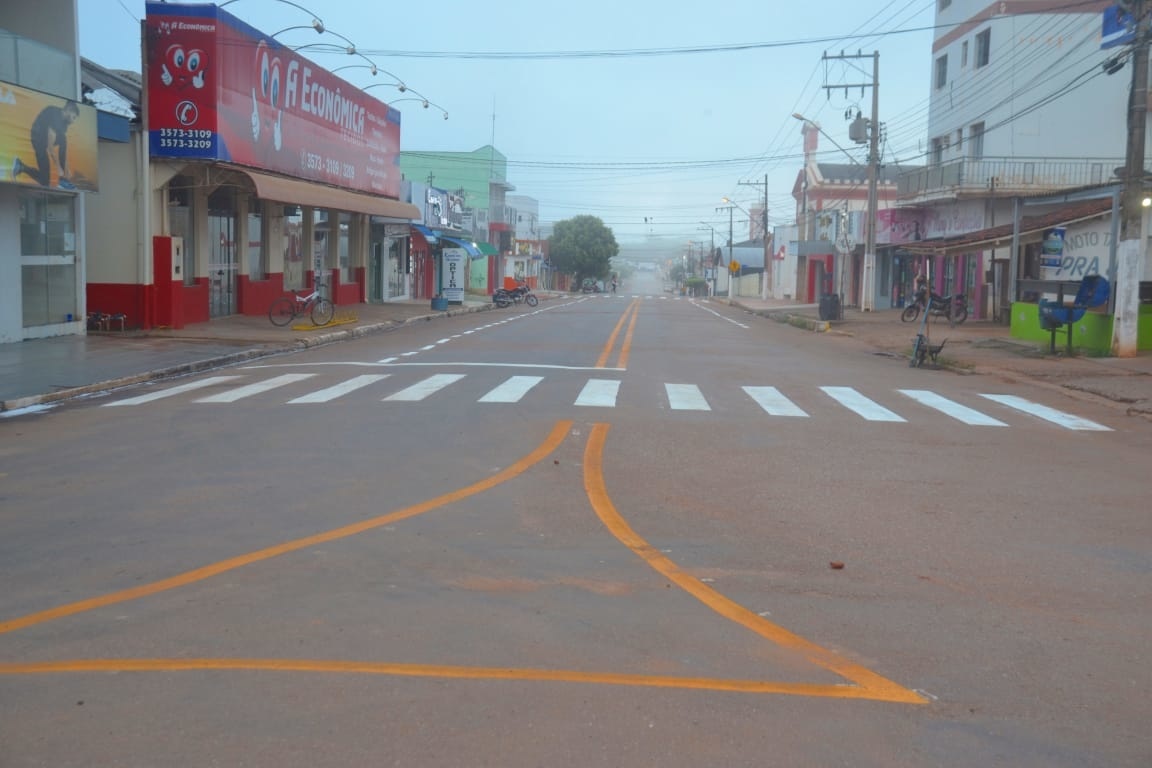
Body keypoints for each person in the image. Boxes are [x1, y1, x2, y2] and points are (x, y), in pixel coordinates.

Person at [12, 100, 80, 190]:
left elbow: (63, 151)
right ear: (69, 111)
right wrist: (59, 169)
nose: (73, 121)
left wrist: (66, 169)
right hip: (37, 138)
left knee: (63, 139)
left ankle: (63, 180)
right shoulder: (55, 116)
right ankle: (22, 167)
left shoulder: (64, 125)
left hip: (44, 138)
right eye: (73, 117)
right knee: (45, 181)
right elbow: (50, 148)